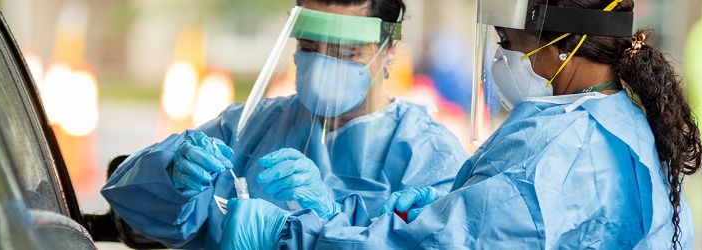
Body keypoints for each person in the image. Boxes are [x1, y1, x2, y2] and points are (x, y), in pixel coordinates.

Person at [220, 0, 702, 249]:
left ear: (564, 45)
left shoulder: (554, 155)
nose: (501, 53)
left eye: (506, 39)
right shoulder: (617, 121)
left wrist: (287, 234)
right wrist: (445, 205)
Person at [101, 0, 469, 248]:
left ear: (389, 52)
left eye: (346, 52)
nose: (324, 64)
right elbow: (140, 208)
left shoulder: (426, 155)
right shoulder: (249, 126)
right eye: (309, 48)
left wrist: (331, 222)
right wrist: (171, 177)